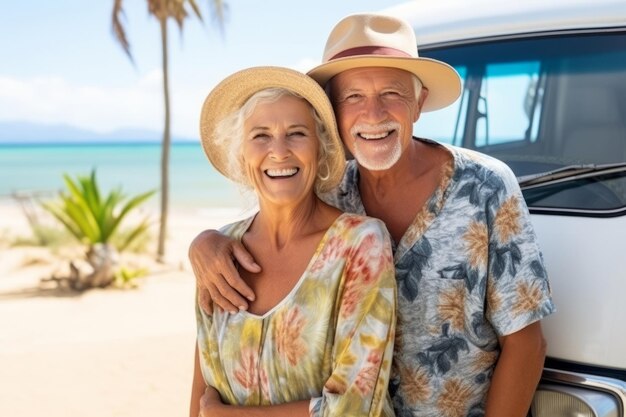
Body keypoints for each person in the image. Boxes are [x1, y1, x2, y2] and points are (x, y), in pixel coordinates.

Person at [189, 14, 556, 417]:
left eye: (392, 94)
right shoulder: (327, 191)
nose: (373, 113)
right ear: (333, 115)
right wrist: (205, 242)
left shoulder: (485, 186)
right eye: (353, 97)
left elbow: (526, 343)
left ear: (418, 103)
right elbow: (270, 213)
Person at [189, 66, 397, 417]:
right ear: (241, 154)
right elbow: (203, 394)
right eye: (261, 136)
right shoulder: (219, 254)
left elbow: (355, 408)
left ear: (321, 148)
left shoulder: (360, 245)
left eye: (297, 133)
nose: (279, 151)